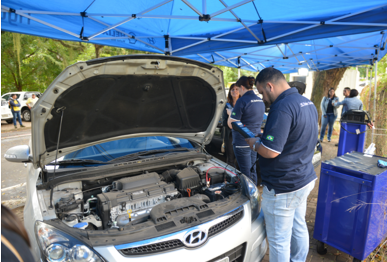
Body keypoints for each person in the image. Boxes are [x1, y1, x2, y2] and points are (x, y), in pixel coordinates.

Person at [246, 68, 318, 262]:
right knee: (298, 226)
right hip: (303, 178)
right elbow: (297, 136)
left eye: (262, 92)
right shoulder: (307, 102)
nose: (263, 97)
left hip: (283, 186)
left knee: (278, 240)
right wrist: (267, 138)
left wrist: (254, 144)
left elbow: (270, 151)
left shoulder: (282, 107)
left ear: (270, 85)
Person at [227, 76, 265, 185]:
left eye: (238, 89)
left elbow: (231, 124)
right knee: (253, 170)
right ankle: (254, 192)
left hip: (241, 142)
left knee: (245, 173)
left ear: (242, 87)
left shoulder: (242, 101)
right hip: (255, 141)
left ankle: (249, 197)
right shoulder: (259, 100)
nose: (238, 92)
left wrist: (230, 113)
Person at [222, 84, 240, 167]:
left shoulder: (242, 104)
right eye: (232, 89)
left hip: (241, 134)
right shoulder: (227, 105)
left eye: (236, 89)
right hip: (230, 135)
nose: (234, 91)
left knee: (241, 158)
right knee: (230, 159)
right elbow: (224, 122)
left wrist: (231, 114)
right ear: (230, 92)